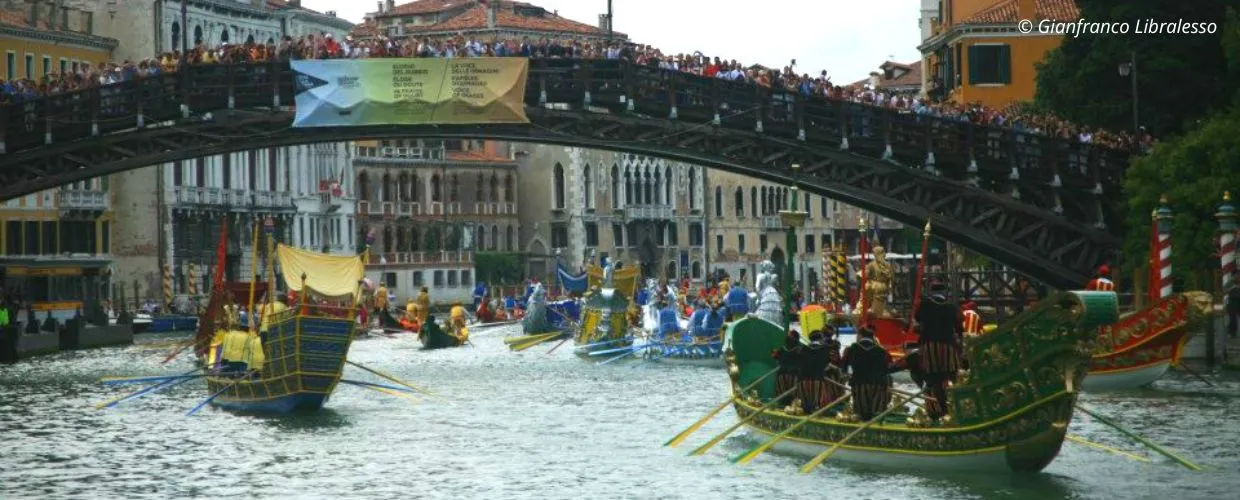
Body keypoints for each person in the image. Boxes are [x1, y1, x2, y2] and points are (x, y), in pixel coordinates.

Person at [913, 280, 962, 421]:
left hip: (929, 345)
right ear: (945, 292)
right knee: (950, 377)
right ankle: (951, 409)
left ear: (931, 292)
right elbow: (958, 327)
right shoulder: (951, 307)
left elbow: (917, 319)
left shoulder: (925, 305)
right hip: (948, 345)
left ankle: (938, 409)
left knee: (933, 379)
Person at [841, 326, 894, 421]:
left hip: (859, 384)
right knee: (877, 416)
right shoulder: (882, 350)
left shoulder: (851, 349)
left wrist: (847, 376)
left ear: (860, 335)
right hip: (878, 384)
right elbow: (888, 368)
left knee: (861, 415)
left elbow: (843, 367)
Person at [799, 330, 844, 413]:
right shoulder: (826, 349)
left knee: (805, 407)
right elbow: (833, 361)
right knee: (818, 408)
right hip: (818, 380)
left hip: (803, 380)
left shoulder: (802, 349)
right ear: (820, 339)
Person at [772, 329, 803, 406]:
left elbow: (774, 355)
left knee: (783, 395)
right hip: (794, 375)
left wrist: (774, 352)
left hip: (783, 374)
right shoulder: (800, 350)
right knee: (793, 396)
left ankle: (783, 406)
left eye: (789, 335)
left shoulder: (783, 349)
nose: (787, 336)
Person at [1227, 272, 1240, 338]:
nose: (1238, 277)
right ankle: (1232, 332)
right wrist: (1233, 287)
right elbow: (1224, 291)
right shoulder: (1230, 282)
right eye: (1237, 275)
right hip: (1233, 299)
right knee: (1233, 317)